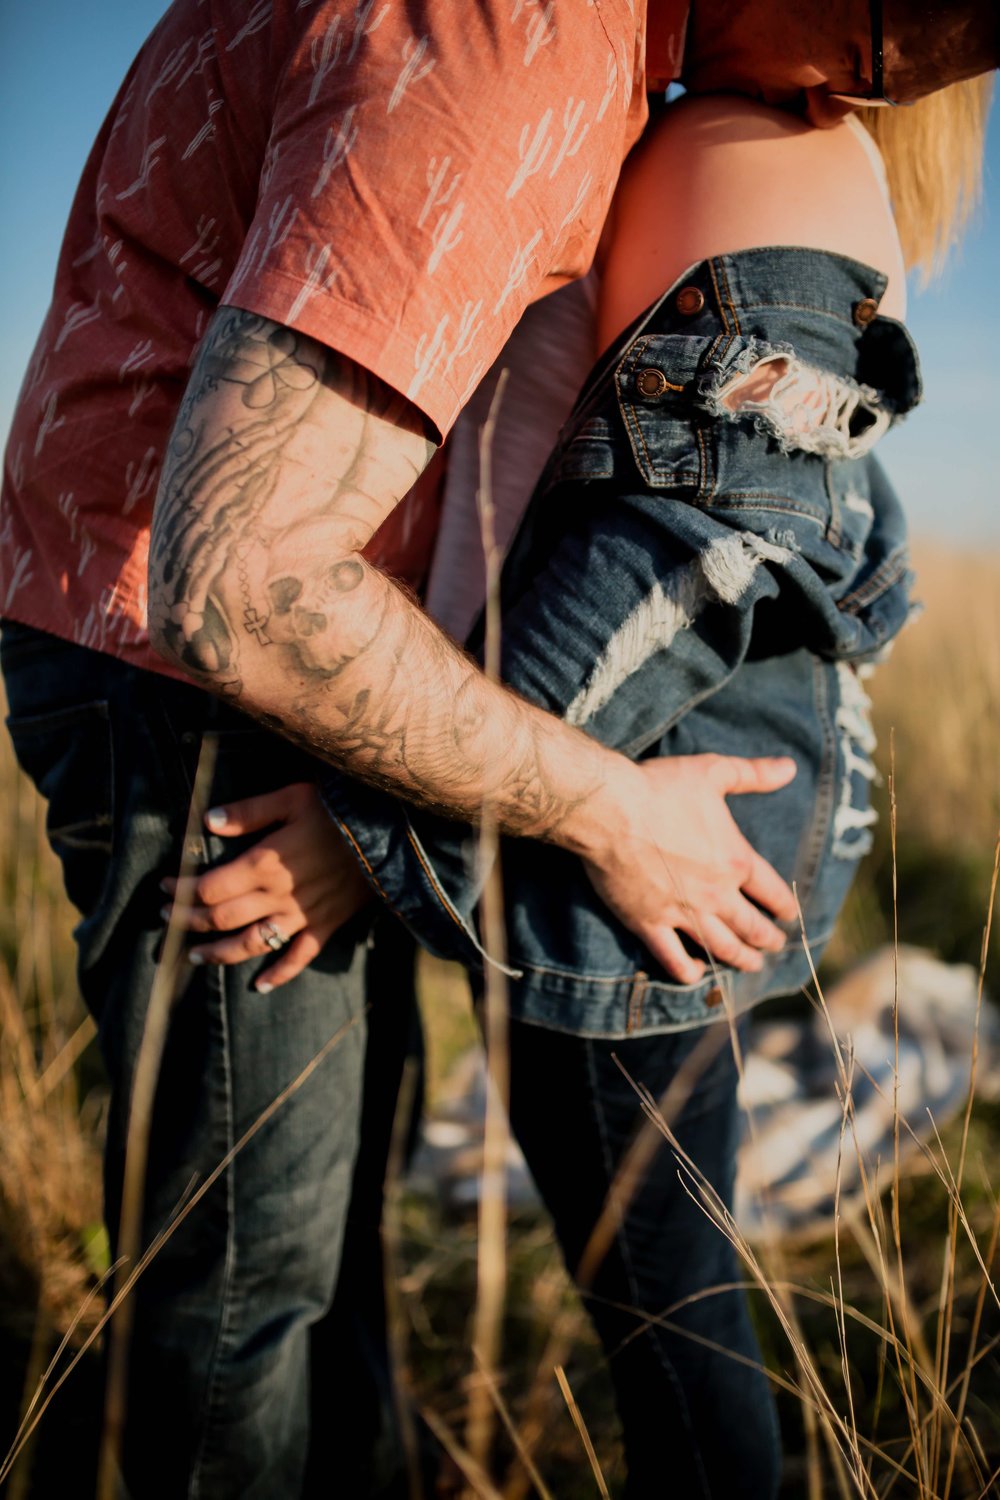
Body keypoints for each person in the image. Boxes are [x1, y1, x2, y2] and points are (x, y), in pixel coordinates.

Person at [0, 0, 994, 1495]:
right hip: (219, 681)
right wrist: (397, 831)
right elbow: (268, 587)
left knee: (353, 1258)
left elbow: (746, 538)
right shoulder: (526, 41)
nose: (870, 79)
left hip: (448, 753)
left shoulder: (695, 117)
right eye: (891, 31)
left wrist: (378, 834)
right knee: (258, 1281)